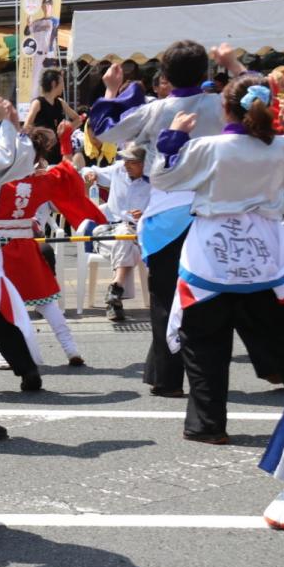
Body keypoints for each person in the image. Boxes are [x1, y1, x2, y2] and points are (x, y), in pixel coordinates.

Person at [88, 40, 266, 397]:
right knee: (215, 297)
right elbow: (259, 99)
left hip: (166, 212)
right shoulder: (221, 104)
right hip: (216, 209)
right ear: (204, 73)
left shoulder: (156, 111)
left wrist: (111, 89)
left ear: (164, 75)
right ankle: (187, 374)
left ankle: (166, 378)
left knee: (165, 299)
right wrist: (233, 65)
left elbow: (104, 130)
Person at [153, 77, 284, 445]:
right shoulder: (281, 149)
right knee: (270, 324)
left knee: (204, 344)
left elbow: (163, 178)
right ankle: (274, 365)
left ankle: (208, 424)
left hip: (212, 254)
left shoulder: (208, 147)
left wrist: (173, 137)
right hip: (265, 252)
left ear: (225, 108)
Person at [0, 128, 106, 369]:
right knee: (45, 302)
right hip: (26, 246)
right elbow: (69, 174)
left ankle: (8, 354)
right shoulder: (42, 181)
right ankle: (71, 349)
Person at [84, 144, 151, 322]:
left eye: (132, 162)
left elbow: (162, 212)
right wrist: (91, 174)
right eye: (125, 160)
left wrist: (146, 215)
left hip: (137, 234)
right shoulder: (118, 170)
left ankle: (115, 295)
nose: (127, 164)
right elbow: (89, 169)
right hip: (107, 231)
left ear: (145, 164)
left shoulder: (155, 182)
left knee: (126, 238)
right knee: (126, 241)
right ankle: (116, 290)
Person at [23, 69, 79, 163]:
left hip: (59, 150)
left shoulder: (60, 102)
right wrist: (38, 137)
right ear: (53, 84)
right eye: (61, 82)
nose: (63, 86)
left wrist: (66, 129)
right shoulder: (38, 103)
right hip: (43, 151)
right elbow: (26, 126)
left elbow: (78, 119)